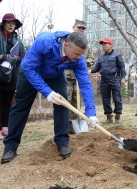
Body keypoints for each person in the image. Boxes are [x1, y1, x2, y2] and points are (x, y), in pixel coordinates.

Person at [1, 31, 99, 164]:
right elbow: (29, 68)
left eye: (81, 54)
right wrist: (47, 92)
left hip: (55, 75)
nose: (78, 57)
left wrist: (91, 112)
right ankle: (10, 147)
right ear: (66, 45)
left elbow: (85, 84)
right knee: (21, 106)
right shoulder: (44, 42)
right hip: (30, 72)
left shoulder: (78, 59)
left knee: (63, 103)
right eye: (76, 54)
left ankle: (62, 142)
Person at [66, 19, 95, 134]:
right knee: (66, 101)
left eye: (83, 29)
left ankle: (72, 125)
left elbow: (92, 59)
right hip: (67, 77)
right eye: (79, 28)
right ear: (73, 28)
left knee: (76, 102)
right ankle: (64, 125)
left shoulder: (86, 46)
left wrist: (81, 62)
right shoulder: (68, 42)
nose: (81, 30)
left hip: (79, 78)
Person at [0, 13, 25, 140]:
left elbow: (23, 58)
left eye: (14, 23)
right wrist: (6, 57)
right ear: (3, 23)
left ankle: (5, 128)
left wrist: (10, 57)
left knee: (7, 102)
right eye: (9, 22)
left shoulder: (18, 41)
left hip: (11, 76)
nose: (11, 25)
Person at [89, 38, 126, 123]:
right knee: (105, 99)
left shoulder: (117, 55)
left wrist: (123, 78)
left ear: (111, 45)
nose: (104, 46)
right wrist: (90, 70)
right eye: (102, 45)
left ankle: (117, 116)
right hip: (104, 80)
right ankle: (109, 117)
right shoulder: (101, 57)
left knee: (117, 98)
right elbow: (97, 67)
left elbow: (122, 68)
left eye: (105, 44)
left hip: (115, 79)